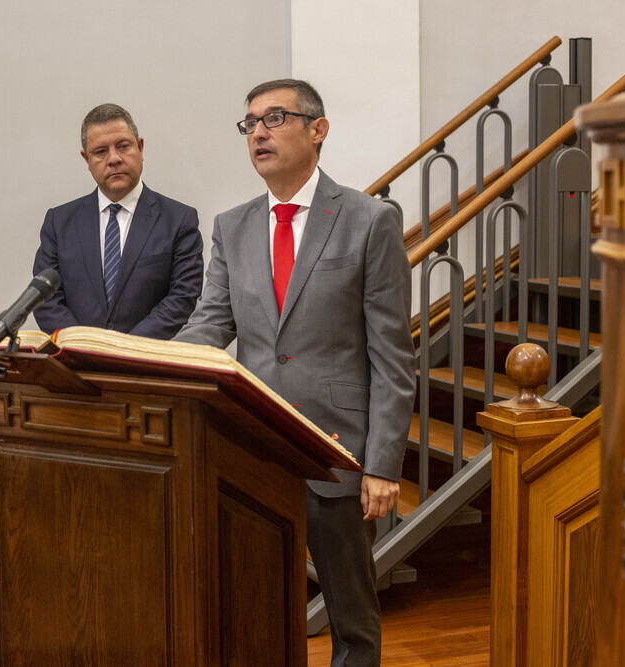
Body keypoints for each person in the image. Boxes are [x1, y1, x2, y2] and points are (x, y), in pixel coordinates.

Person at [174, 80, 415, 666]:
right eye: (250, 122)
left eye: (275, 118)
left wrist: (382, 464)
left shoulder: (368, 219)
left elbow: (391, 355)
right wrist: (144, 358)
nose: (258, 131)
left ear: (318, 129)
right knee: (257, 601)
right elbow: (211, 323)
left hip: (337, 452)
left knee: (350, 615)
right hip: (255, 451)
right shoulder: (232, 225)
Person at [32, 103, 203, 339]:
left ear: (140, 148)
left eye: (123, 146)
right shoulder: (59, 222)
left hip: (145, 364)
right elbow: (46, 299)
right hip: (76, 363)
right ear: (86, 159)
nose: (114, 159)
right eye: (101, 151)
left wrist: (123, 349)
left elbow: (182, 298)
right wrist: (84, 346)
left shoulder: (179, 220)